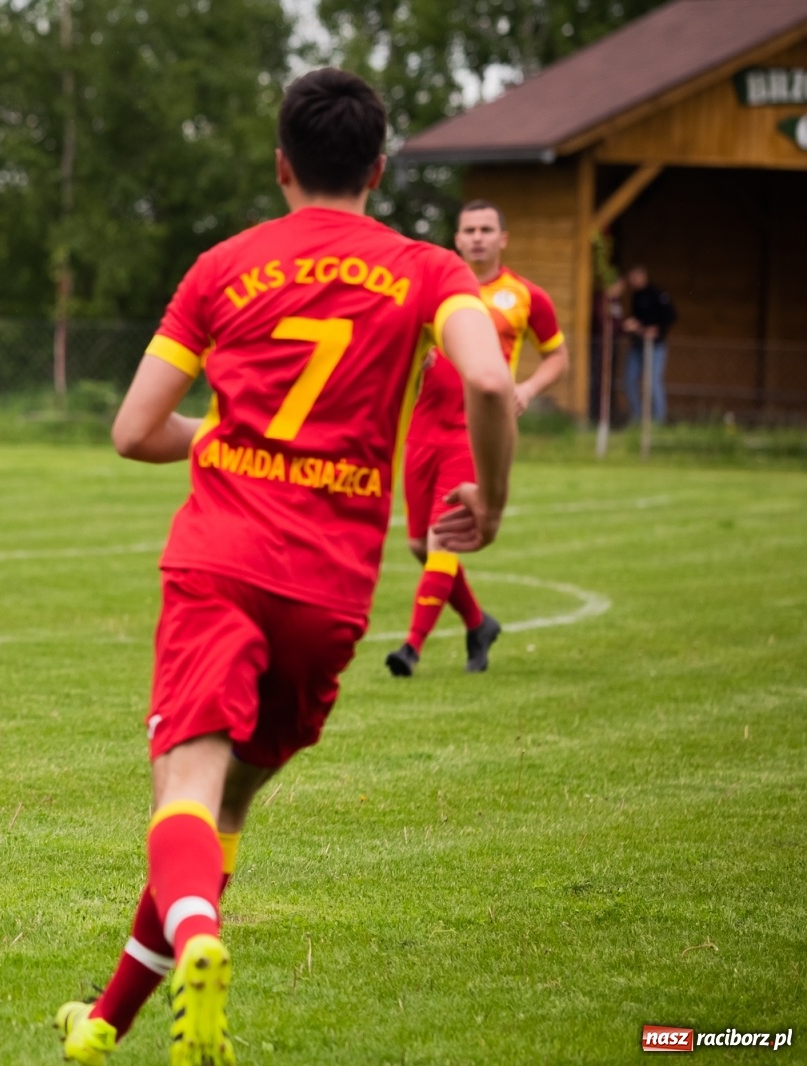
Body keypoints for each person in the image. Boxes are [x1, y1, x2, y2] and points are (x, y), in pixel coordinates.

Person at [53, 69, 514, 1066]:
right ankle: (102, 1026)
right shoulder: (431, 270)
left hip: (221, 558)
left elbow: (133, 430)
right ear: (379, 170)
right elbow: (487, 376)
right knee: (221, 811)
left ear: (279, 166)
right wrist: (491, 498)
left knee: (184, 788)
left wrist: (223, 431)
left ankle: (200, 940)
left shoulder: (222, 267)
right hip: (331, 587)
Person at [383, 200, 569, 677]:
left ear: (503, 238)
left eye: (488, 228)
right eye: (470, 229)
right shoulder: (432, 293)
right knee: (420, 547)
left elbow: (557, 357)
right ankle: (478, 622)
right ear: (458, 239)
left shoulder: (525, 296)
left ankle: (411, 648)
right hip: (424, 426)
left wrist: (525, 388)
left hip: (475, 432)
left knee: (441, 540)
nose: (479, 236)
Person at [622, 265, 675, 424]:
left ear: (642, 276)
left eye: (633, 278)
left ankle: (659, 420)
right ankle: (638, 417)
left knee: (653, 383)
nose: (631, 282)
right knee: (629, 381)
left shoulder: (658, 294)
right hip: (637, 345)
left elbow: (671, 316)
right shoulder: (636, 295)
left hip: (655, 346)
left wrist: (657, 328)